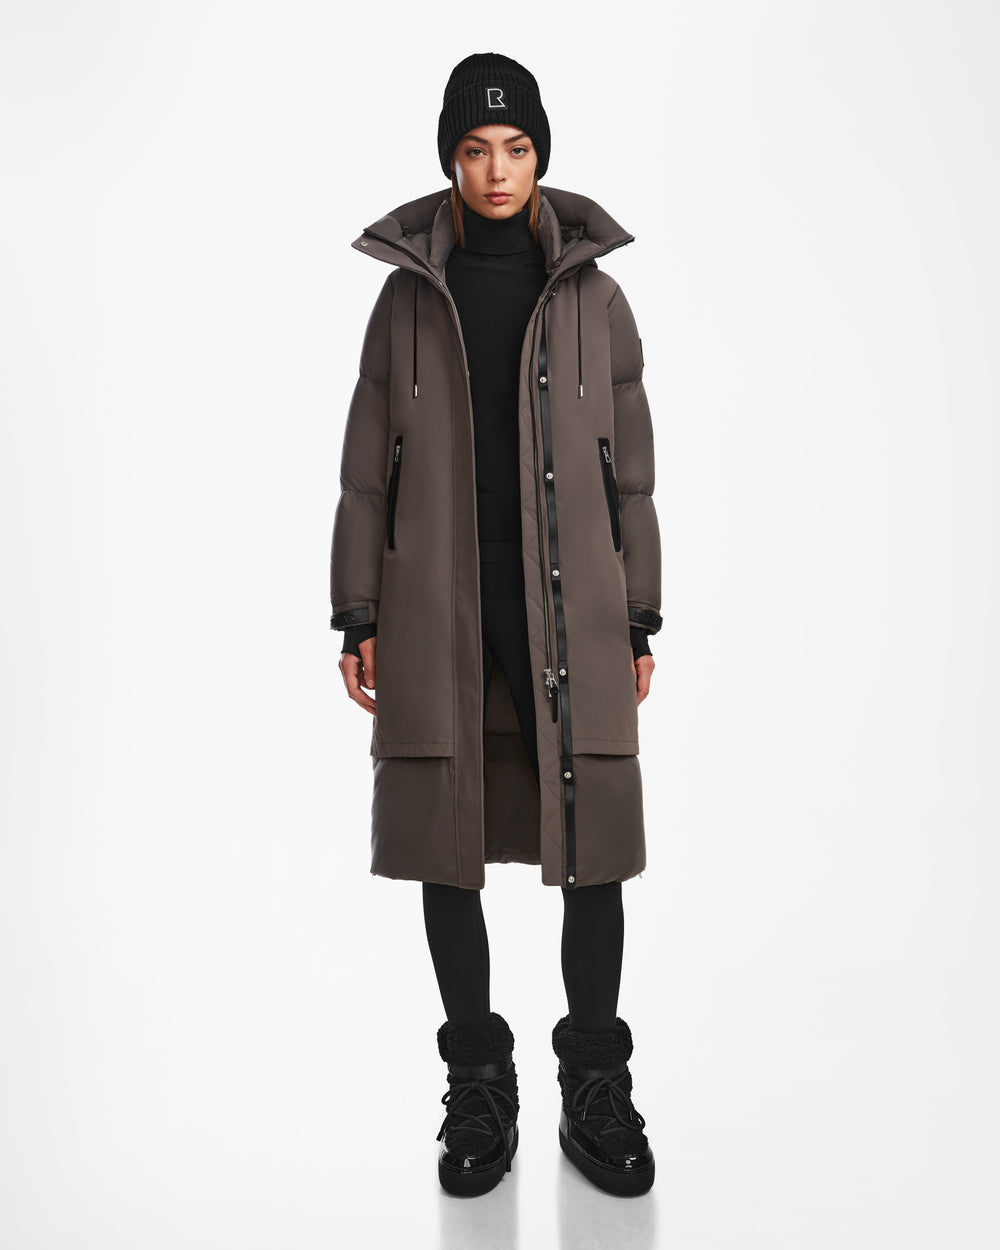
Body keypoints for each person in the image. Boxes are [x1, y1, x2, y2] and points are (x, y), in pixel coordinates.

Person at [329, 52, 662, 1199]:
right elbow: (364, 467)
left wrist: (639, 610)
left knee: (593, 839)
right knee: (444, 834)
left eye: (515, 147)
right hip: (438, 604)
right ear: (449, 160)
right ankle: (477, 1076)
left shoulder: (594, 298)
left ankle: (595, 1079)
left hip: (573, 606)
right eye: (474, 150)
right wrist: (358, 608)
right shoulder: (406, 297)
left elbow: (632, 473)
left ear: (540, 153)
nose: (497, 170)